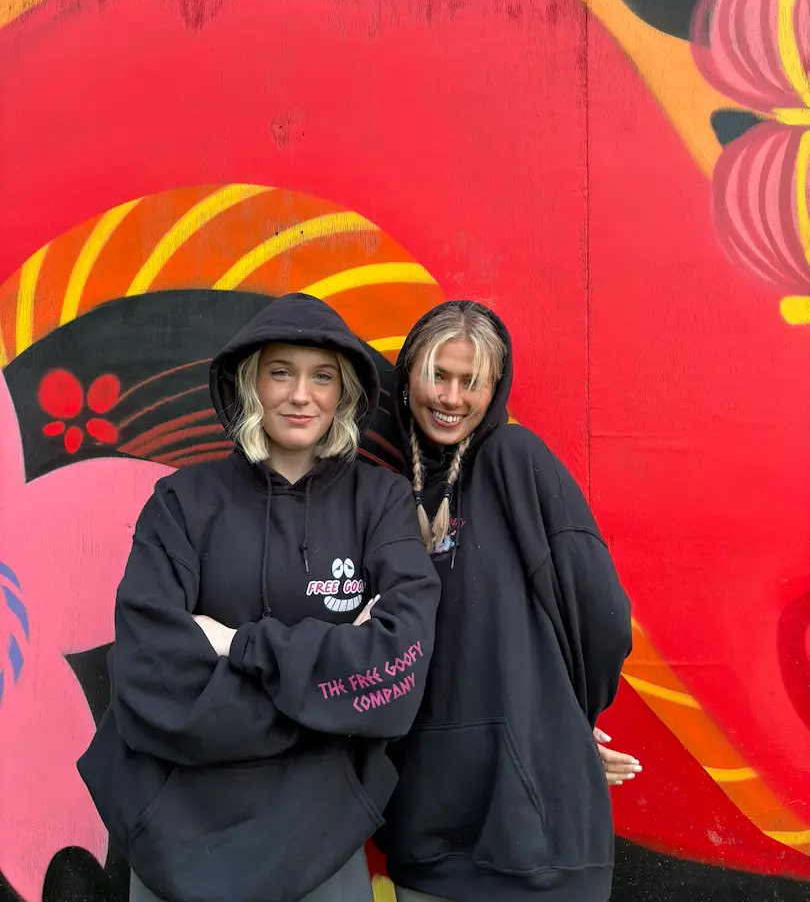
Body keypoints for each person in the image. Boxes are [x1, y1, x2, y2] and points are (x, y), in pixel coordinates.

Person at [78, 293, 441, 902]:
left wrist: (233, 645)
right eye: (281, 372)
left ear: (344, 392)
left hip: (324, 842)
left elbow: (397, 680)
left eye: (322, 376)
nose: (301, 395)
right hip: (179, 838)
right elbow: (146, 676)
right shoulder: (182, 502)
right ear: (250, 383)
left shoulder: (380, 502)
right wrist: (326, 694)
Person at [378, 300, 636, 902]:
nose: (451, 397)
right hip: (426, 834)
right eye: (438, 375)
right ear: (408, 375)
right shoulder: (387, 492)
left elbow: (602, 616)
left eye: (472, 382)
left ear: (495, 389)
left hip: (536, 844)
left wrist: (563, 723)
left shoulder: (515, 460)